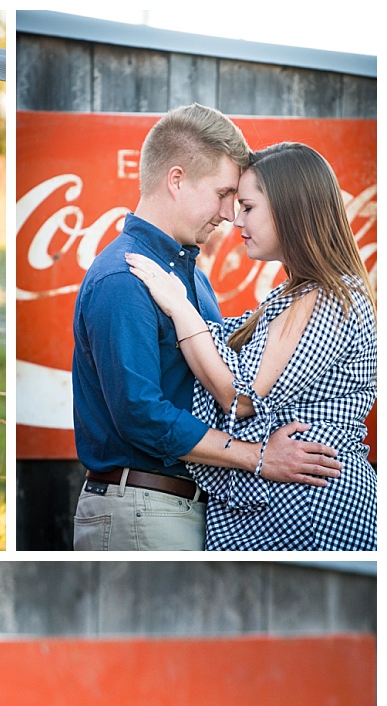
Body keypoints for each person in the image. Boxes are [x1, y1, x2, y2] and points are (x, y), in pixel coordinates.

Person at [70, 106, 342, 551]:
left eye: (238, 199)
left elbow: (234, 383)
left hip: (182, 508)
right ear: (176, 180)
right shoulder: (124, 277)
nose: (229, 214)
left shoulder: (190, 275)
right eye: (222, 193)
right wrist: (258, 457)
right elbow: (140, 414)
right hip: (142, 506)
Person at [126, 140, 376, 550]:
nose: (235, 219)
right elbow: (226, 347)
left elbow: (241, 397)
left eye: (247, 206)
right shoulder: (296, 294)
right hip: (288, 506)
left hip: (312, 509)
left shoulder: (327, 298)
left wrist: (178, 306)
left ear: (291, 208)